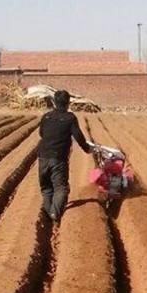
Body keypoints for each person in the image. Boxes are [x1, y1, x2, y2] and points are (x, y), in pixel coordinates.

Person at [37, 89, 92, 222]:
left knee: (46, 187)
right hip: (58, 158)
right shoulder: (70, 118)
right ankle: (54, 213)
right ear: (68, 103)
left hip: (43, 156)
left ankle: (48, 211)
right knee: (61, 187)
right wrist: (86, 148)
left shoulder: (46, 117)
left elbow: (41, 133)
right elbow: (78, 136)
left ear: (55, 102)